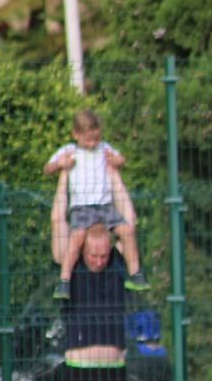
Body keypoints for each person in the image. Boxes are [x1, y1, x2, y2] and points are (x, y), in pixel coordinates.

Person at [45, 109, 148, 299]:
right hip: (82, 206)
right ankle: (64, 281)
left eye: (96, 139)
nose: (93, 144)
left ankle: (136, 274)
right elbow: (47, 169)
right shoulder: (70, 151)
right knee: (76, 237)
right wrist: (60, 164)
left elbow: (121, 160)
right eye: (88, 140)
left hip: (105, 205)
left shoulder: (104, 148)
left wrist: (117, 161)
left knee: (127, 230)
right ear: (76, 134)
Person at [50, 221, 131, 381]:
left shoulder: (117, 264)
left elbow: (129, 228)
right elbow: (57, 221)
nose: (99, 261)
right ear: (81, 249)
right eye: (93, 256)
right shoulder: (71, 266)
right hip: (78, 371)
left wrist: (108, 212)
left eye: (104, 256)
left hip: (114, 371)